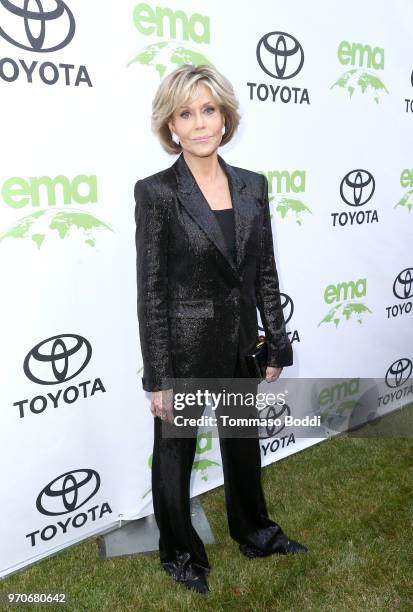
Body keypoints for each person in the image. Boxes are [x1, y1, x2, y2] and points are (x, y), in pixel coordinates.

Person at [134, 64, 307, 595]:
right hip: (184, 353)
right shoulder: (157, 193)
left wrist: (275, 342)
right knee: (174, 456)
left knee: (241, 445)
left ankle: (255, 532)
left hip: (239, 346)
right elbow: (152, 289)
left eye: (209, 109)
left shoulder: (253, 187)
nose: (200, 123)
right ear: (171, 125)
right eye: (186, 113)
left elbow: (265, 271)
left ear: (226, 117)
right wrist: (159, 377)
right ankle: (180, 553)